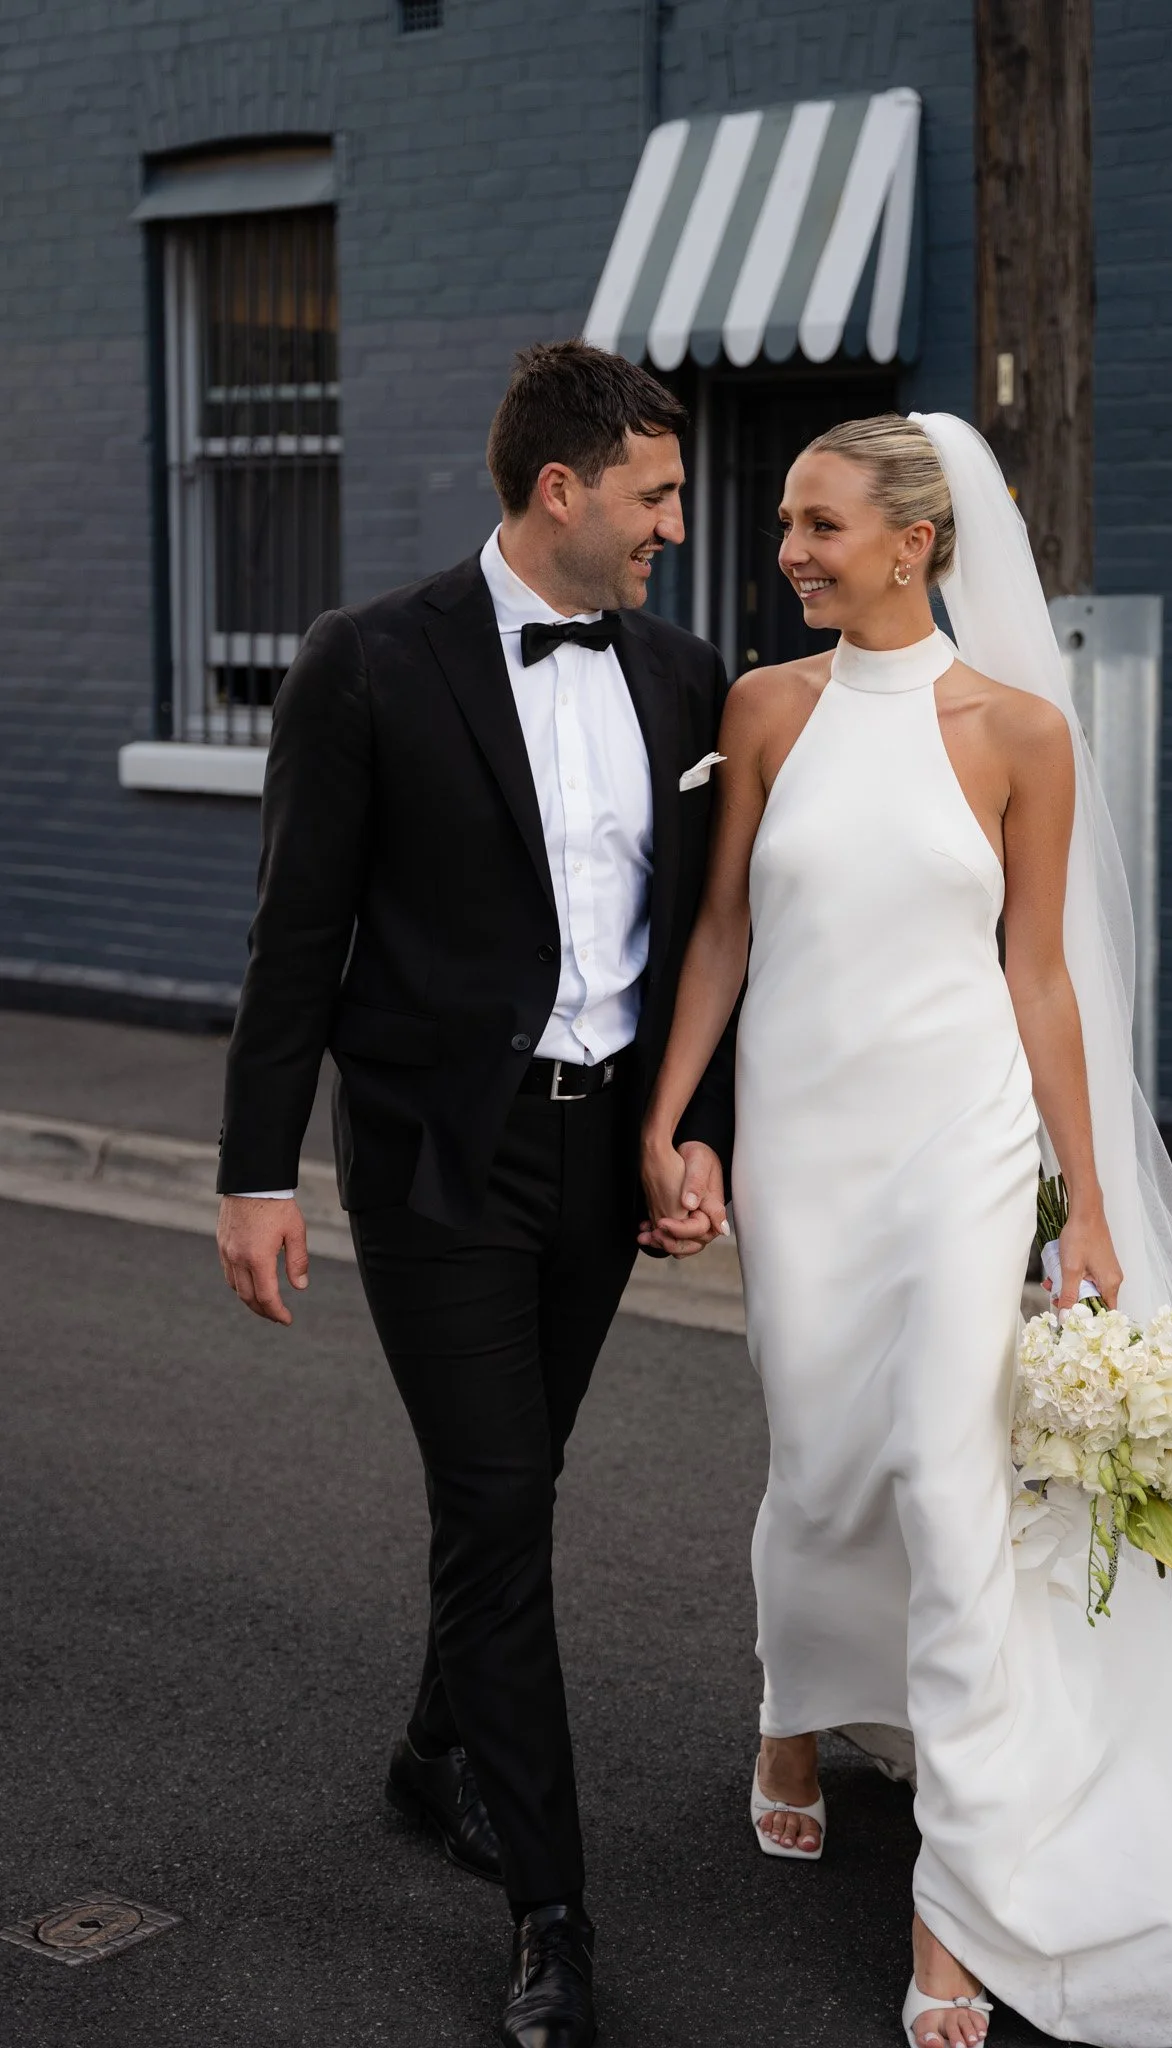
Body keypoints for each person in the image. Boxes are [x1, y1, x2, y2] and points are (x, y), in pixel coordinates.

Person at [643, 412, 1172, 2048]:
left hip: (958, 1150)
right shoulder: (767, 708)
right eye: (787, 524)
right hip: (804, 1148)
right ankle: (794, 1712)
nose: (788, 551)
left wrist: (1087, 1198)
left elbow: (1040, 976)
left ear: (917, 542)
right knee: (819, 1463)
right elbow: (725, 928)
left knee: (951, 1492)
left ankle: (954, 1901)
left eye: (820, 526)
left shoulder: (1021, 731)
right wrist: (668, 1118)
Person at [216, 340, 734, 2048]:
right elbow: (298, 932)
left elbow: (706, 940)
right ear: (561, 488)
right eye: (657, 494)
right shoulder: (368, 659)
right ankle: (552, 1916)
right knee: (502, 1499)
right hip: (442, 1153)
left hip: (602, 1152)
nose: (677, 524)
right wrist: (254, 1173)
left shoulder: (684, 674)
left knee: (512, 1488)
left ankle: (436, 1749)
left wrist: (695, 1130)